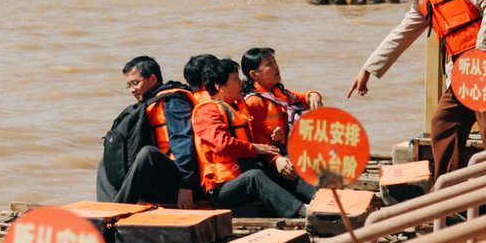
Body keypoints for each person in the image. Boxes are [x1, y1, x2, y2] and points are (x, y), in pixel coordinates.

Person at [348, 0, 486, 182]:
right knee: (443, 123)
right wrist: (368, 69)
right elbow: (401, 34)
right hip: (462, 71)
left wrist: (483, 51)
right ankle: (450, 197)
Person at [194, 58, 317, 218]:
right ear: (220, 87)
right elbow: (222, 144)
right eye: (235, 79)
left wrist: (278, 135)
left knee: (285, 165)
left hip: (245, 171)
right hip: (221, 189)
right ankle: (304, 212)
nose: (241, 82)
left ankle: (320, 200)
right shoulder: (207, 112)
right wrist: (255, 148)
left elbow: (260, 134)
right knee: (254, 177)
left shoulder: (239, 107)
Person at [96, 56, 199, 207]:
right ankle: (106, 209)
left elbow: (183, 141)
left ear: (152, 79)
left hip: (178, 181)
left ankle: (115, 210)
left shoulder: (173, 101)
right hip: (154, 181)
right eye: (129, 85)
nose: (132, 90)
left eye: (135, 83)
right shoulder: (148, 104)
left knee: (148, 154)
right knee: (106, 163)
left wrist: (186, 186)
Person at [241, 47, 323, 151]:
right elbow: (259, 139)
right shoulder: (254, 102)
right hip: (276, 153)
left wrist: (314, 95)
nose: (276, 66)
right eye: (269, 64)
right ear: (254, 74)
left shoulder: (278, 92)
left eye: (274, 62)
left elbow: (304, 96)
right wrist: (276, 154)